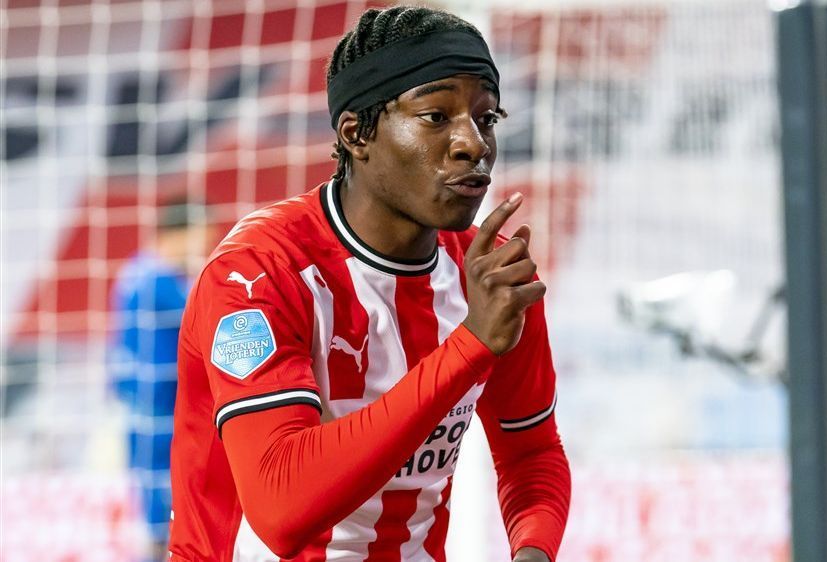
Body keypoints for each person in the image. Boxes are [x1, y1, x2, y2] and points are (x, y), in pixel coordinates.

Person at [168, 6, 571, 562]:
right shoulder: (258, 272)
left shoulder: (490, 275)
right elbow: (281, 510)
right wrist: (469, 347)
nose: (473, 144)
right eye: (436, 116)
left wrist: (533, 552)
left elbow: (532, 451)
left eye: (487, 118)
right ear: (357, 133)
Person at [109, 199, 211, 562]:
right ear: (177, 235)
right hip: (163, 415)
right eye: (201, 238)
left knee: (156, 513)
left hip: (143, 411)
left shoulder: (133, 271)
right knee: (169, 517)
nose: (203, 247)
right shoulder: (160, 281)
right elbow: (206, 314)